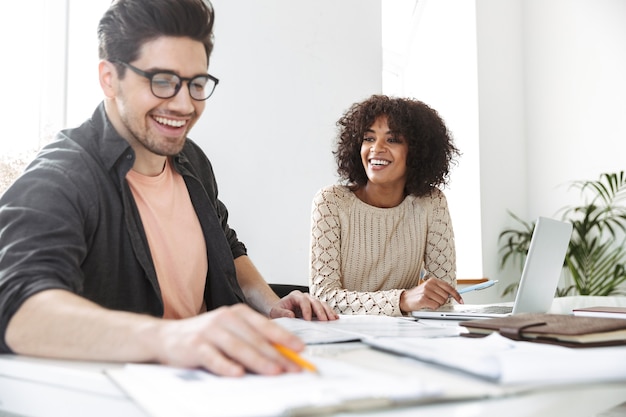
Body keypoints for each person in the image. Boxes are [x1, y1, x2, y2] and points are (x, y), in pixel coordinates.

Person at [0, 0, 337, 377]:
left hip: (218, 384)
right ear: (109, 78)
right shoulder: (62, 176)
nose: (184, 104)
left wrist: (271, 305)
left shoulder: (191, 159)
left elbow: (227, 246)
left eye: (196, 84)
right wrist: (171, 338)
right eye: (162, 81)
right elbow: (16, 306)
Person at [309, 95, 463, 316]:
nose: (376, 148)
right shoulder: (332, 202)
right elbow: (324, 297)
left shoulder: (431, 203)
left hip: (405, 336)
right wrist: (401, 300)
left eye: (393, 140)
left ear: (417, 151)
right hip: (342, 338)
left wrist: (424, 298)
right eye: (369, 138)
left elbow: (442, 298)